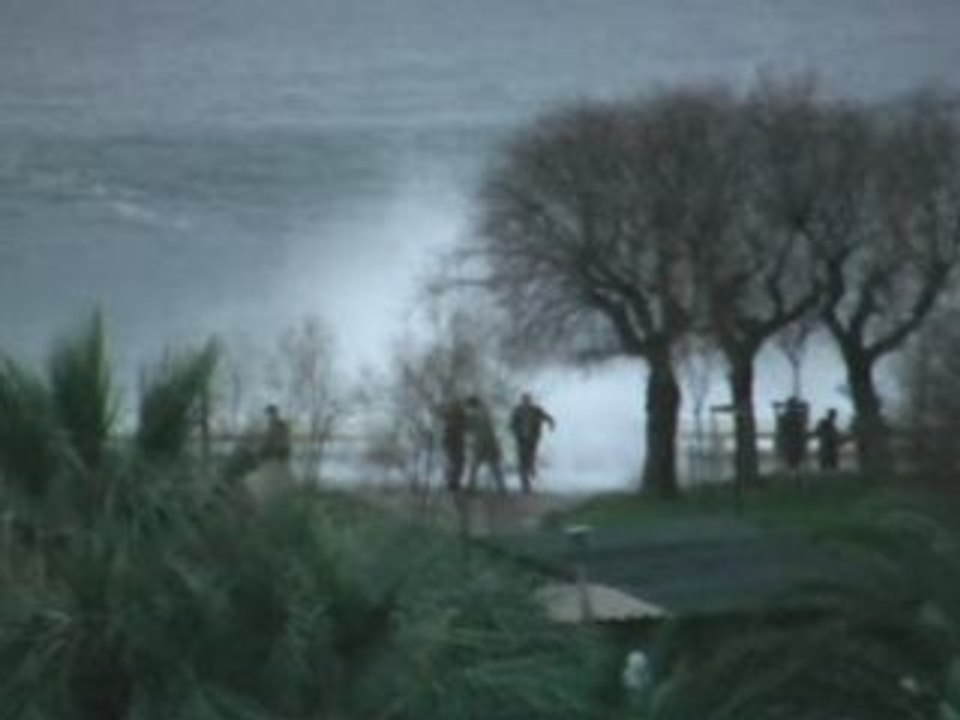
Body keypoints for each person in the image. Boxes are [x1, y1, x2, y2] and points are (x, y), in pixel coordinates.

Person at [509, 392, 555, 493]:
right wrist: (517, 433)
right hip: (521, 441)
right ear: (522, 401)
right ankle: (525, 485)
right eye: (524, 400)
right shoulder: (517, 411)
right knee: (522, 462)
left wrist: (551, 423)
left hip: (532, 440)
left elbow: (546, 417)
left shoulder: (536, 410)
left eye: (528, 400)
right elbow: (511, 424)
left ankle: (531, 472)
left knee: (530, 459)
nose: (526, 402)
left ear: (530, 401)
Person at [464, 396, 506, 494]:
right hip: (487, 444)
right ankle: (501, 488)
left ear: (472, 406)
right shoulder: (481, 413)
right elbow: (471, 427)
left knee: (478, 466)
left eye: (469, 407)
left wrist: (476, 444)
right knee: (493, 467)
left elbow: (480, 431)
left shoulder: (478, 415)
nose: (468, 410)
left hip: (486, 445)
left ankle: (471, 487)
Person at [439, 397, 468, 492]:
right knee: (455, 464)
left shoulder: (459, 417)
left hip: (457, 443)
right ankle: (452, 483)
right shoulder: (453, 417)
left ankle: (454, 483)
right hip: (453, 443)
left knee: (457, 464)